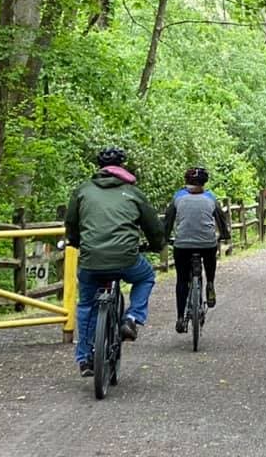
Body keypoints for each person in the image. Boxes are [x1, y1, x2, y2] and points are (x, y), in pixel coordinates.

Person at [65, 147, 164, 377]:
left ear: (99, 168)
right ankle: (132, 317)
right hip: (126, 259)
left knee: (87, 305)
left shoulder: (83, 191)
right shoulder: (133, 193)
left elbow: (71, 223)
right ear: (122, 167)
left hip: (91, 260)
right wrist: (157, 244)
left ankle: (85, 359)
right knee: (146, 276)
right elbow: (152, 226)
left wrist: (76, 241)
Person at [163, 166, 230, 334]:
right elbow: (221, 219)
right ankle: (210, 284)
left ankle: (180, 318)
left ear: (186, 181)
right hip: (207, 243)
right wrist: (224, 235)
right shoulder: (210, 197)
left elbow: (168, 220)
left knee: (181, 279)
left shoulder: (178, 197)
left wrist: (164, 238)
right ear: (204, 183)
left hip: (183, 244)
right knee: (210, 257)